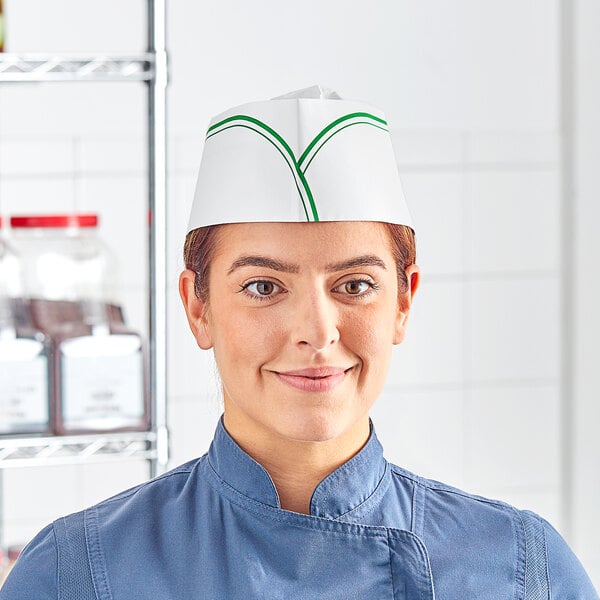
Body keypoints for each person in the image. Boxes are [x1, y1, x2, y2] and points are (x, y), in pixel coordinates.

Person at [1, 86, 598, 599]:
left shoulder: (522, 571)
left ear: (404, 302)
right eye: (263, 286)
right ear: (198, 306)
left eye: (355, 284)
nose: (316, 330)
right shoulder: (77, 573)